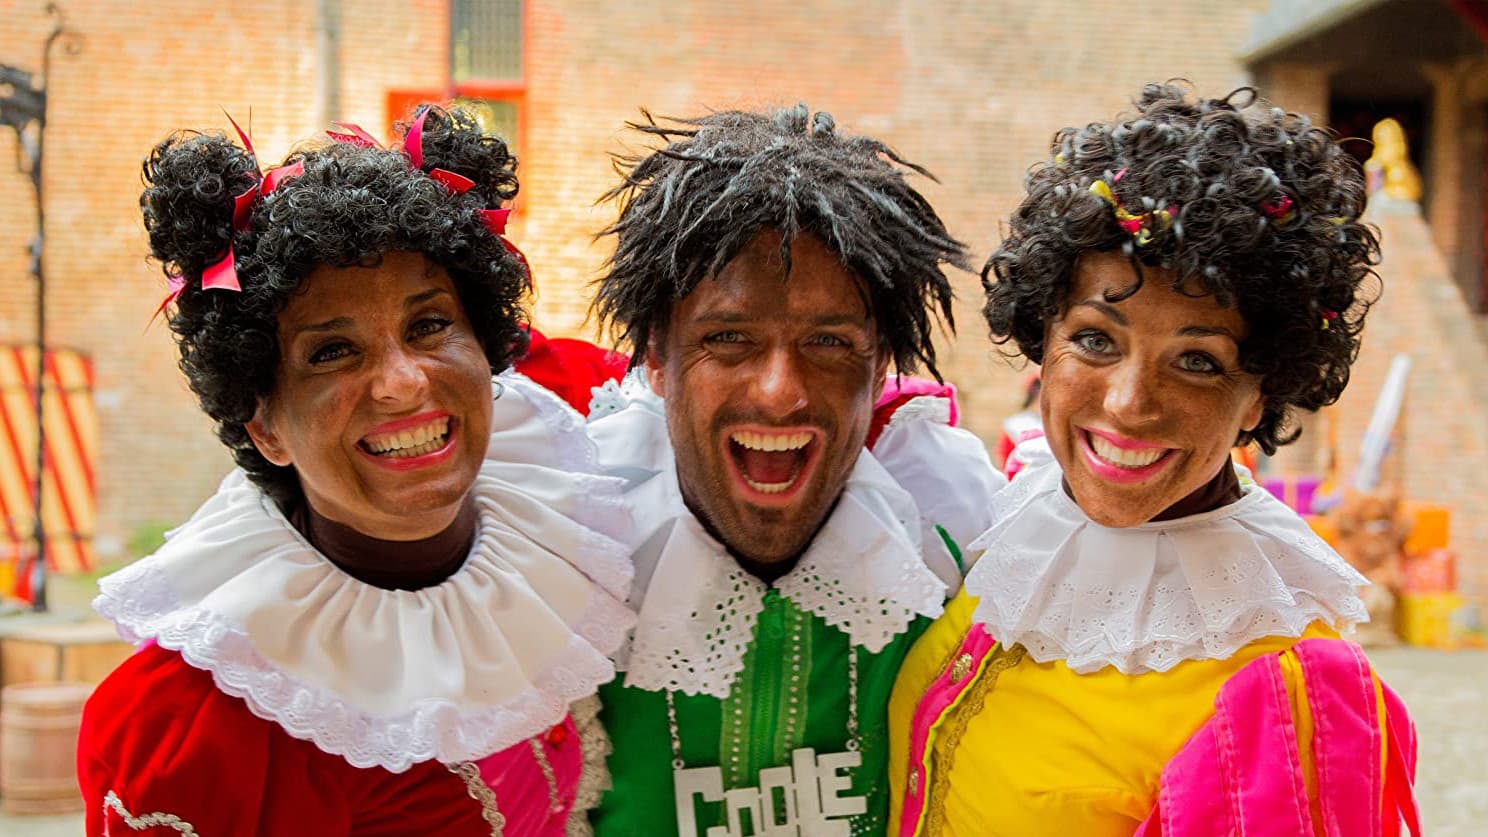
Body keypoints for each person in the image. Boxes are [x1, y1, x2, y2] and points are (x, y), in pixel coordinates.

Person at [78, 106, 635, 835]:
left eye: (429, 325)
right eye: (332, 352)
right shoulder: (204, 719)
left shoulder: (562, 489)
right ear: (265, 424)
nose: (402, 381)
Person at [888, 84, 1419, 837]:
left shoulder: (1282, 687)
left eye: (1197, 361)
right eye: (1097, 340)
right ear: (1044, 337)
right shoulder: (1018, 513)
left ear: (1261, 394)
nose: (1130, 403)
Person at [584, 104, 1006, 836]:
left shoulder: (960, 545)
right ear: (657, 357)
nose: (780, 390)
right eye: (730, 338)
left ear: (880, 367)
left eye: (828, 341)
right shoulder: (572, 555)